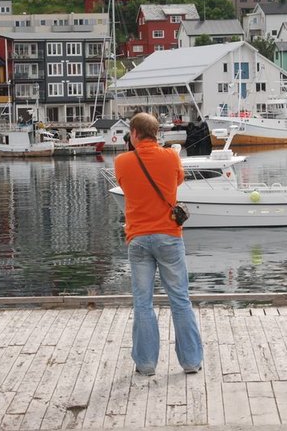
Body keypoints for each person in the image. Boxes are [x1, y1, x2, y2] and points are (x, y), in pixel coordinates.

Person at [114, 112, 203, 376]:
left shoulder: (122, 161)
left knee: (143, 302)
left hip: (138, 238)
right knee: (180, 300)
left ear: (133, 134)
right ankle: (190, 362)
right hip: (169, 236)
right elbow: (177, 181)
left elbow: (125, 186)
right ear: (157, 133)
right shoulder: (171, 157)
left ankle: (146, 364)